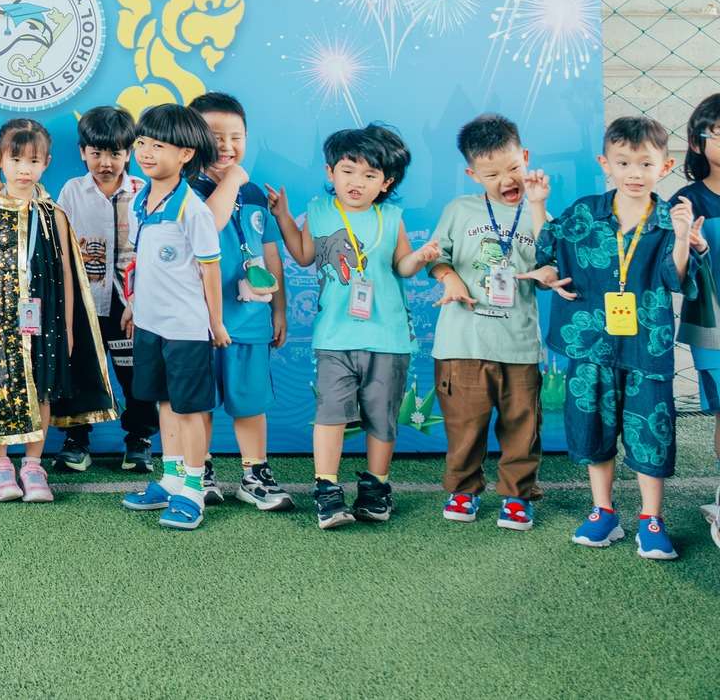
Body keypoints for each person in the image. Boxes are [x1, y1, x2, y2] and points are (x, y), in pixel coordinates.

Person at [537, 116, 708, 560]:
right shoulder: (582, 213)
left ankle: (651, 518)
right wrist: (547, 267)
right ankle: (603, 511)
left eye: (645, 163)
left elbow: (676, 278)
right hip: (589, 343)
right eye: (624, 162)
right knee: (593, 425)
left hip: (645, 348)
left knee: (652, 429)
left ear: (665, 166)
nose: (634, 172)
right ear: (605, 163)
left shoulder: (671, 219)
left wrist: (686, 237)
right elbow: (549, 250)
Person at [0, 118, 113, 507]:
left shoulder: (54, 215)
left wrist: (67, 325)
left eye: (33, 161)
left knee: (43, 388)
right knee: (0, 387)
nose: (24, 169)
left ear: (47, 163)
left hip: (46, 322)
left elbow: (69, 274)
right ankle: (0, 466)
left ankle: (33, 465)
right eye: (16, 159)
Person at [271, 123, 433, 530]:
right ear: (330, 172)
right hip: (335, 336)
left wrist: (424, 256)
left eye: (369, 175)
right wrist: (284, 218)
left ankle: (376, 487)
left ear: (386, 181)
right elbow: (305, 255)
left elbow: (403, 267)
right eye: (347, 170)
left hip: (388, 338)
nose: (356, 182)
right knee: (330, 414)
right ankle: (326, 488)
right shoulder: (321, 210)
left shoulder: (391, 217)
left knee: (382, 417)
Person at [424, 114, 552, 531]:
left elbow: (552, 264)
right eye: (492, 173)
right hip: (463, 342)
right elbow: (436, 256)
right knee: (465, 423)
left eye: (514, 168)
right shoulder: (460, 210)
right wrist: (450, 276)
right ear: (472, 173)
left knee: (522, 425)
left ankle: (517, 496)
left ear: (526, 157)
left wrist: (538, 209)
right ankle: (462, 489)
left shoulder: (539, 213)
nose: (506, 179)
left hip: (518, 343)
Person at [115, 104, 225, 529]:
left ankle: (194, 488)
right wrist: (134, 305)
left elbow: (210, 268)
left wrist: (215, 323)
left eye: (158, 145)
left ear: (184, 155)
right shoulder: (140, 200)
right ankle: (171, 477)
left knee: (190, 408)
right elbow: (142, 264)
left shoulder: (192, 210)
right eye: (141, 142)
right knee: (163, 401)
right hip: (149, 323)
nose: (145, 151)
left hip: (186, 328)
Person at [188, 92, 293, 512]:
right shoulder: (184, 189)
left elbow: (270, 255)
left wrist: (279, 308)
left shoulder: (252, 194)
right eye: (215, 136)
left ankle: (255, 474)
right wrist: (230, 180)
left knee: (250, 401)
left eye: (237, 136)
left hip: (250, 319)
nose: (227, 146)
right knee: (200, 402)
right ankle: (204, 469)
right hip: (198, 320)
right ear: (192, 140)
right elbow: (208, 227)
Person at [54, 104, 155, 475]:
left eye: (115, 153)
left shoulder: (144, 192)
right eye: (96, 153)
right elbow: (61, 248)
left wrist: (138, 301)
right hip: (85, 301)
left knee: (135, 375)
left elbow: (152, 252)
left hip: (130, 304)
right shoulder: (72, 191)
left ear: (129, 151)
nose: (105, 162)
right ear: (83, 152)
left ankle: (139, 439)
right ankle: (77, 440)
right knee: (82, 373)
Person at [667, 93, 720, 548]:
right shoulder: (687, 199)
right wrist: (693, 243)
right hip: (715, 322)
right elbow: (674, 272)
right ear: (698, 143)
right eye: (719, 133)